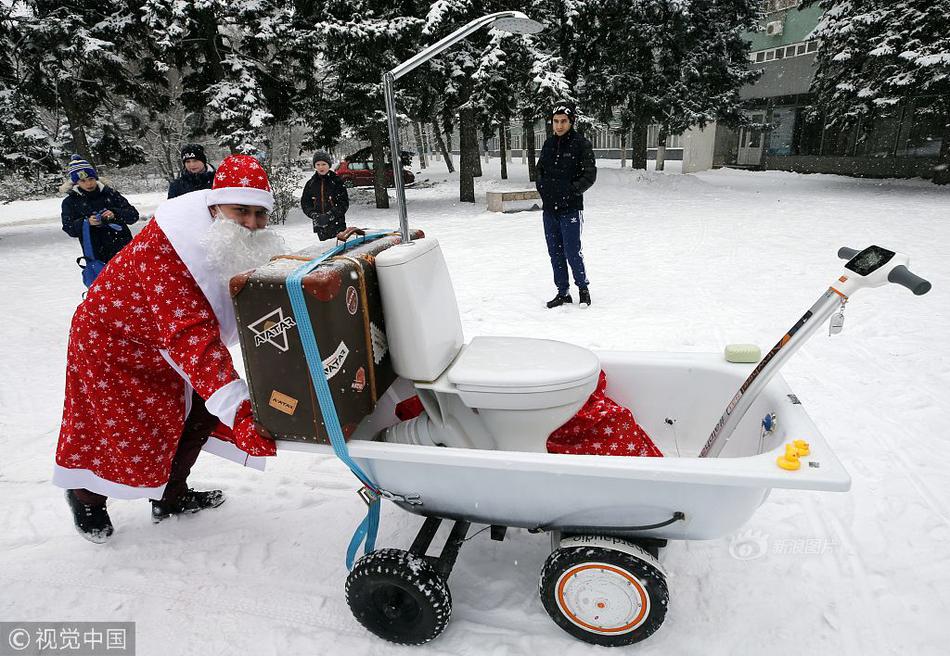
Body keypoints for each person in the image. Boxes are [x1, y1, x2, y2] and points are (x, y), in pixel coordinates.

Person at [54, 154, 284, 543]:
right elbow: (191, 337)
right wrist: (242, 412)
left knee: (195, 416)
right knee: (125, 430)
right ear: (216, 205)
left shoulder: (223, 237)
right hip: (112, 344)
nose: (251, 223)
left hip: (163, 343)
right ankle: (85, 496)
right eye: (240, 211)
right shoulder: (170, 249)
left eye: (260, 214)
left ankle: (170, 497)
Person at [535, 102, 597, 308]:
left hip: (570, 209)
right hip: (549, 210)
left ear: (571, 122)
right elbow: (540, 171)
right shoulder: (549, 145)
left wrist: (571, 191)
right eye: (556, 121)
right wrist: (543, 188)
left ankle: (583, 288)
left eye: (563, 121)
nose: (559, 126)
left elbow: (589, 175)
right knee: (555, 252)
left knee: (572, 250)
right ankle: (563, 292)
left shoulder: (581, 144)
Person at [61, 155, 139, 265]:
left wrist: (115, 213)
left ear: (95, 178)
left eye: (91, 179)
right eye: (83, 181)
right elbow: (69, 228)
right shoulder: (69, 202)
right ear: (75, 183)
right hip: (96, 254)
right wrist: (86, 222)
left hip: (124, 249)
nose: (88, 183)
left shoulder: (111, 194)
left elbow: (134, 215)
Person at [301, 150, 349, 240]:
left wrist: (330, 215)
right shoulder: (311, 183)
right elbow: (305, 203)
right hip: (320, 226)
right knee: (325, 250)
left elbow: (344, 204)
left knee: (339, 250)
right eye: (318, 164)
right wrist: (314, 214)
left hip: (337, 224)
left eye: (323, 164)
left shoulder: (337, 181)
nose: (321, 167)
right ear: (315, 166)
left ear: (329, 165)